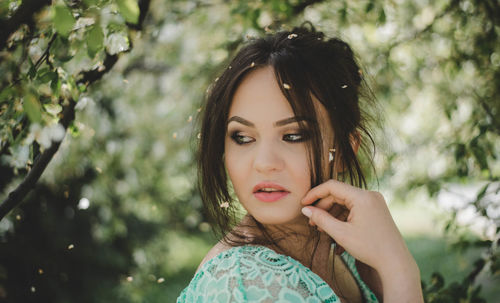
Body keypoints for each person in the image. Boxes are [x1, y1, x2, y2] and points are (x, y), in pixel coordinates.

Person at [177, 23, 423, 303]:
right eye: (242, 138)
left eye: (293, 136)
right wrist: (399, 270)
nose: (265, 163)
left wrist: (382, 278)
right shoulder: (244, 283)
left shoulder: (346, 256)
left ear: (345, 150)